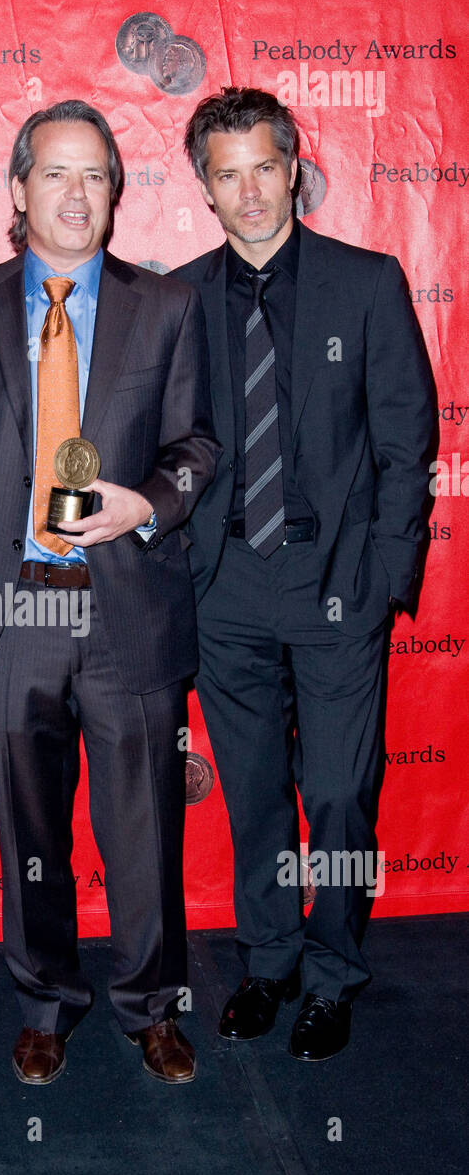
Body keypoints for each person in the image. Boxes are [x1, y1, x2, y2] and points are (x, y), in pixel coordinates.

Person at [0, 100, 217, 1085]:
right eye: (55, 174)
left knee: (142, 834)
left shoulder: (163, 306)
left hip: (125, 606)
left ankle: (152, 1006)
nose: (76, 194)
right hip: (9, 610)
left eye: (94, 176)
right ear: (16, 188)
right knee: (28, 833)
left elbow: (198, 446)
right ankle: (43, 1001)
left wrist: (147, 503)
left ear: (114, 194)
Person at [174, 87, 437, 1060]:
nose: (247, 192)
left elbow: (406, 443)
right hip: (224, 588)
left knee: (333, 792)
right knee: (251, 793)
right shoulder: (179, 300)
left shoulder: (364, 284)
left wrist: (380, 581)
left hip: (335, 582)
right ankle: (270, 959)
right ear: (204, 187)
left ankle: (333, 971)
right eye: (224, 173)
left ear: (294, 167)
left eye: (261, 167)